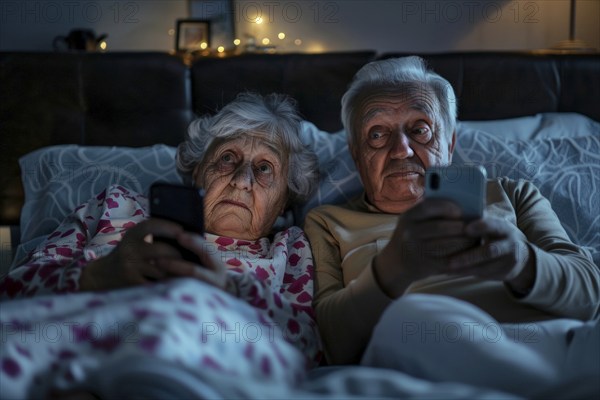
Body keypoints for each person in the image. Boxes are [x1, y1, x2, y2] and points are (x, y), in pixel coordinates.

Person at [303, 56, 599, 395]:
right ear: (357, 156)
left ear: (450, 143)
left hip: (549, 339)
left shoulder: (513, 194)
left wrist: (522, 262)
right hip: (423, 343)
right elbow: (334, 341)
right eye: (377, 134)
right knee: (410, 318)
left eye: (420, 130)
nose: (401, 150)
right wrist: (393, 267)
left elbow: (591, 293)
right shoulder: (327, 221)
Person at [0, 93, 322, 398]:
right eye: (227, 158)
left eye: (264, 168)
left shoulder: (288, 248)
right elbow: (13, 294)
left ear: (284, 201)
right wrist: (97, 276)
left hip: (205, 370)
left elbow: (306, 348)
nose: (241, 180)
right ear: (197, 171)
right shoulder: (117, 206)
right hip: (92, 345)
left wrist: (232, 292)